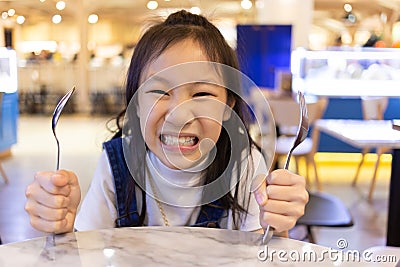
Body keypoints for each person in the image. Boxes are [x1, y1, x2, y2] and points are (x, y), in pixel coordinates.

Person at [25, 10, 308, 237]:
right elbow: (87, 252)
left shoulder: (244, 166)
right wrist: (62, 230)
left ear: (228, 107)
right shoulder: (117, 164)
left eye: (201, 93)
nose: (179, 115)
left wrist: (277, 225)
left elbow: (264, 252)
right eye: (159, 92)